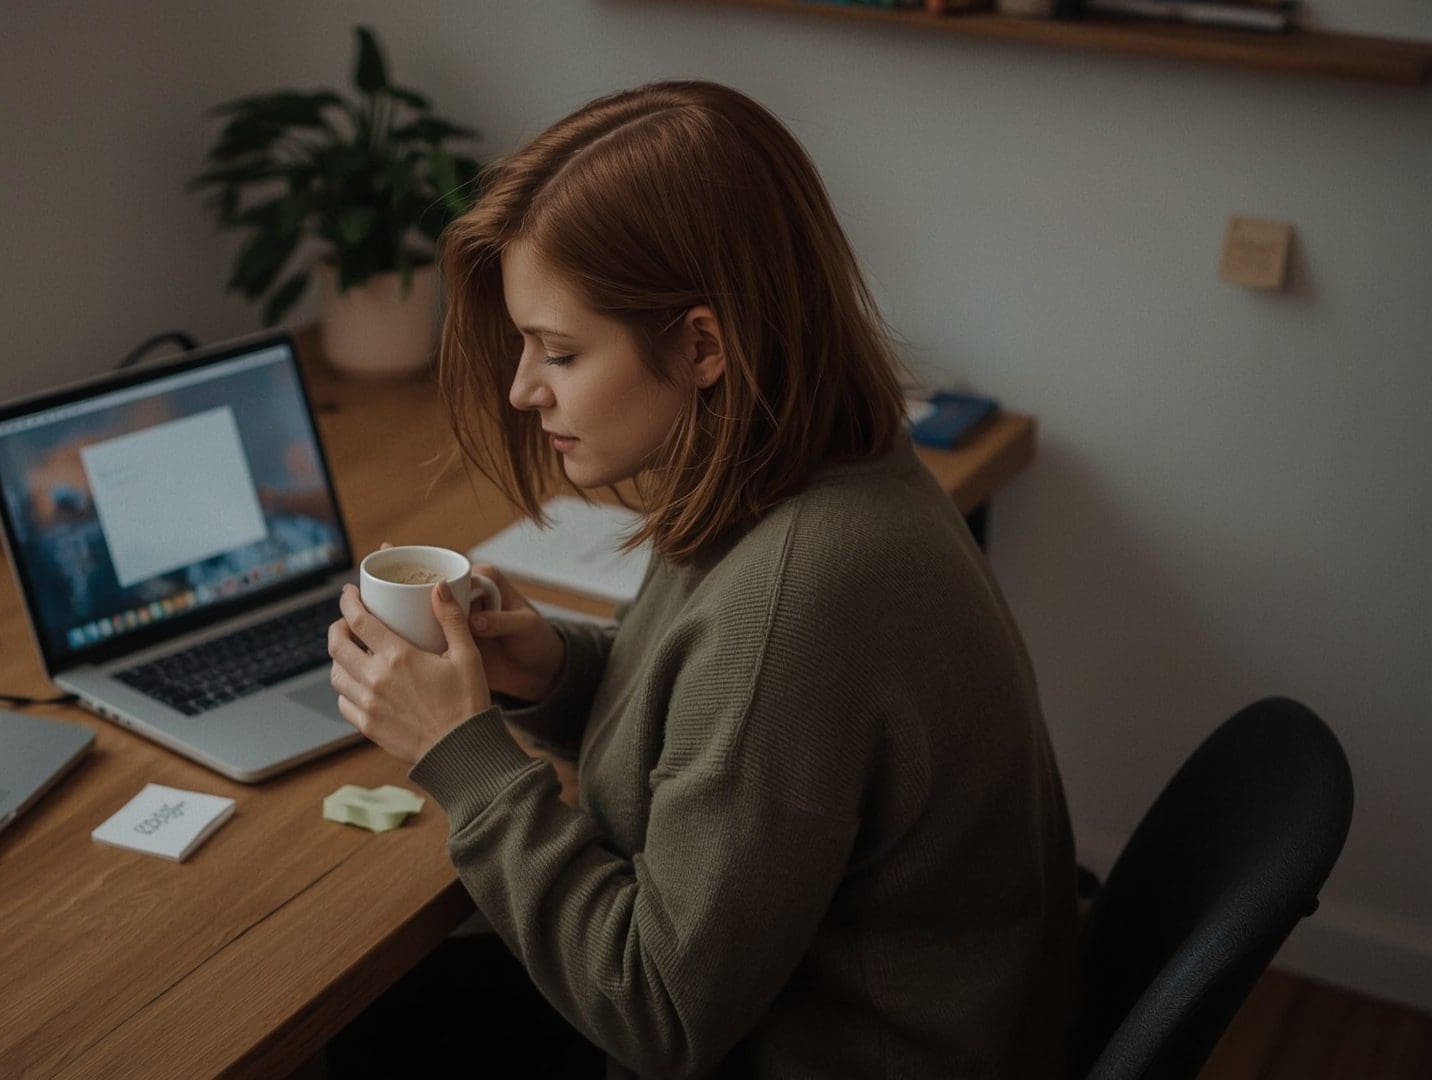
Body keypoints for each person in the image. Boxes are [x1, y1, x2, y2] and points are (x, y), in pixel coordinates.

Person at [324, 80, 1077, 1079]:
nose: (521, 389)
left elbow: (660, 1012)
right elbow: (719, 726)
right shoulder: (818, 474)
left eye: (560, 350)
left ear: (703, 345)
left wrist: (461, 755)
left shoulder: (802, 593)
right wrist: (556, 672)